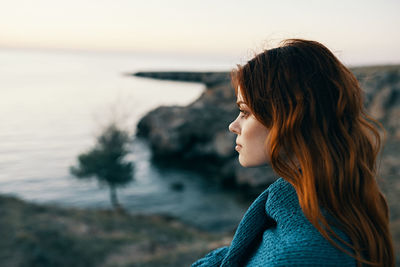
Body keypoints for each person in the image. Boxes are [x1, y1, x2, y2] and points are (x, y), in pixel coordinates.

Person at [191, 39, 394, 267]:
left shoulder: (302, 255)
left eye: (244, 112)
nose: (233, 125)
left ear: (290, 119)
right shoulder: (336, 202)